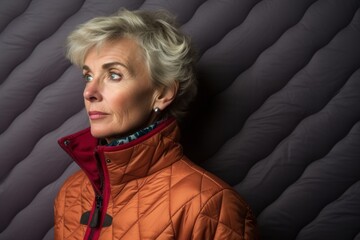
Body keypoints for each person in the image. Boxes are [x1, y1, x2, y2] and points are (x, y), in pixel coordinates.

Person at [54, 9, 258, 240]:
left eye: (114, 75)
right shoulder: (71, 192)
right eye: (88, 76)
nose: (89, 92)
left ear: (162, 93)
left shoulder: (209, 205)